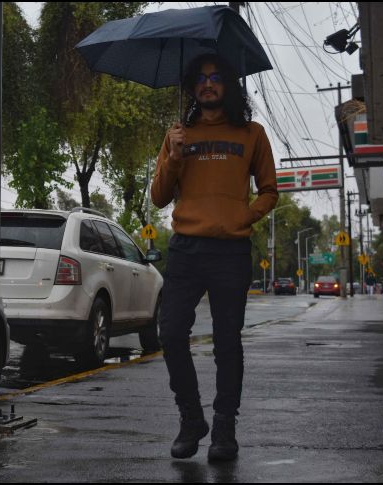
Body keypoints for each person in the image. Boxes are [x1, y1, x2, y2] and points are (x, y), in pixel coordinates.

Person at [151, 53, 278, 461]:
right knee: (171, 333)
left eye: (216, 77)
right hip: (186, 249)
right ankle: (192, 418)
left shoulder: (252, 134)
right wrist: (174, 156)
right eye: (202, 78)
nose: (208, 84)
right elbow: (159, 197)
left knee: (227, 342)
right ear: (192, 87)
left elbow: (269, 190)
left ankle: (224, 428)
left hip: (231, 250)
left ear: (229, 85)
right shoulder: (178, 135)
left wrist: (245, 215)